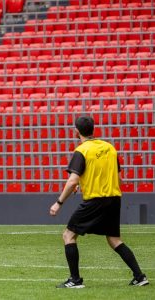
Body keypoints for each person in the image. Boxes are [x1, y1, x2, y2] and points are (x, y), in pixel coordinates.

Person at [50, 116, 149, 288]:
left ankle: (75, 280)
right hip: (114, 198)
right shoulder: (110, 148)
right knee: (114, 240)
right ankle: (140, 277)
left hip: (95, 200)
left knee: (69, 235)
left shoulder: (82, 150)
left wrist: (58, 203)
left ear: (76, 131)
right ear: (93, 129)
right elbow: (119, 179)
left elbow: (73, 180)